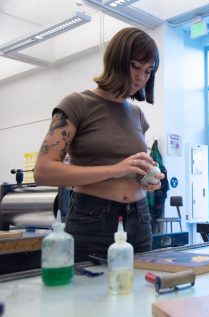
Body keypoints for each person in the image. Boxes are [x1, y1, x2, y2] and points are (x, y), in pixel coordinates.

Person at [34, 27, 164, 262]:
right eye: (135, 66)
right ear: (116, 60)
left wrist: (146, 178)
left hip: (140, 217)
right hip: (92, 218)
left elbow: (130, 168)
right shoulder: (77, 104)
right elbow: (43, 171)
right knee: (89, 295)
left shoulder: (137, 114)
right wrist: (116, 169)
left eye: (148, 71)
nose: (141, 77)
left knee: (141, 293)